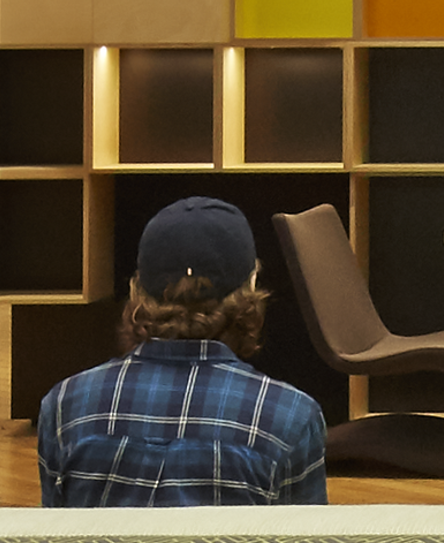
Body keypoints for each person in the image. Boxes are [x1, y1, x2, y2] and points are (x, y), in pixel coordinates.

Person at [35, 194, 328, 507]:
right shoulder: (292, 416)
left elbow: (57, 540)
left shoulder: (65, 405)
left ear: (138, 290)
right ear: (251, 289)